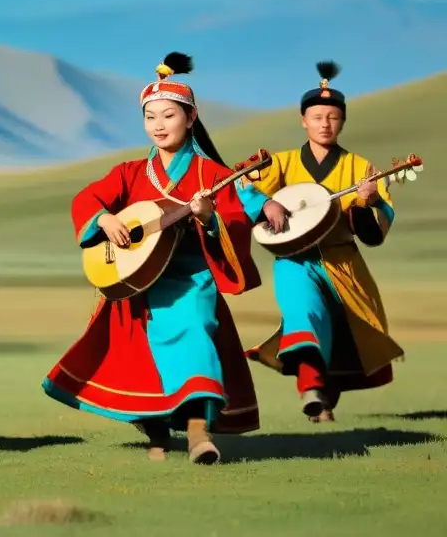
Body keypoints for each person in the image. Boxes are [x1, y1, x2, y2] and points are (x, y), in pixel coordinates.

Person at [42, 53, 287, 464]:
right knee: (140, 361)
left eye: (168, 115)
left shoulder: (212, 174)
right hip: (137, 283)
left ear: (191, 119)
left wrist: (212, 220)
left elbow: (238, 210)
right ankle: (157, 432)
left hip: (191, 281)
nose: (158, 124)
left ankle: (197, 436)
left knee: (194, 339)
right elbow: (88, 198)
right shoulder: (130, 171)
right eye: (149, 116)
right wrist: (104, 218)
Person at [246, 61, 404, 422]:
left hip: (342, 261)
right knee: (305, 315)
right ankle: (311, 391)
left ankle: (323, 403)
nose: (325, 124)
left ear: (342, 122)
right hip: (294, 259)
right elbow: (245, 189)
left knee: (343, 331)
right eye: (317, 117)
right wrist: (265, 202)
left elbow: (376, 230)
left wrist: (372, 201)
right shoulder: (281, 163)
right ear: (304, 120)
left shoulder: (362, 168)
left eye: (332, 117)